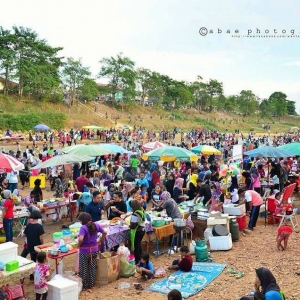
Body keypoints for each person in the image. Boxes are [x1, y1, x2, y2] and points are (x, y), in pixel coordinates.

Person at [77, 212, 107, 290]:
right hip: (94, 250)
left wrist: (78, 245)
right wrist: (101, 240)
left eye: (80, 221)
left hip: (84, 251)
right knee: (92, 267)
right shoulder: (96, 225)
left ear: (83, 220)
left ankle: (83, 286)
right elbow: (105, 232)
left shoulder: (83, 228)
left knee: (83, 268)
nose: (80, 222)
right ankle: (91, 284)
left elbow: (80, 239)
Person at [129, 200, 145, 264]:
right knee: (138, 245)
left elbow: (133, 225)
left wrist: (128, 225)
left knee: (136, 247)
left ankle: (137, 260)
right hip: (142, 230)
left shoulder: (135, 214)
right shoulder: (141, 210)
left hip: (137, 232)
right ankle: (142, 257)